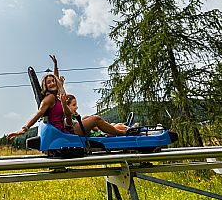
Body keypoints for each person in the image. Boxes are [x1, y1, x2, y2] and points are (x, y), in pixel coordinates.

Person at [7, 55, 135, 140]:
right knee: (96, 119)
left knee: (88, 118)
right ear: (45, 86)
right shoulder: (49, 99)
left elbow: (57, 83)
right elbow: (39, 113)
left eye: (53, 81)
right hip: (68, 131)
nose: (52, 83)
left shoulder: (57, 97)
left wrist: (56, 66)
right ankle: (123, 133)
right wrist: (24, 129)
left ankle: (118, 129)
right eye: (48, 82)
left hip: (69, 127)